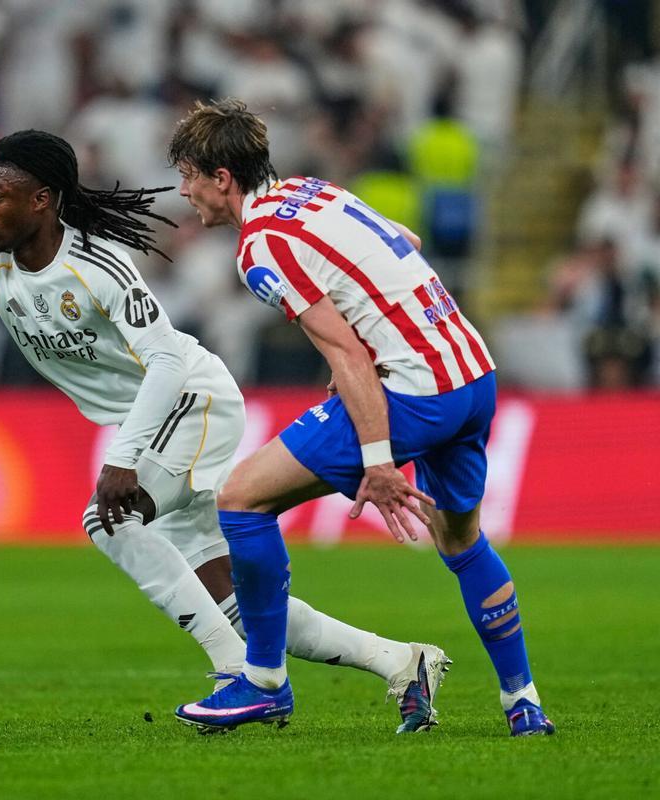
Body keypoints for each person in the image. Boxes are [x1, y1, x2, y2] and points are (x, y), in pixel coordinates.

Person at [0, 130, 450, 733]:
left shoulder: (97, 265)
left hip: (191, 400)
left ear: (42, 200)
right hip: (153, 423)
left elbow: (165, 360)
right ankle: (401, 661)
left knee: (109, 520)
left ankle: (239, 674)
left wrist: (124, 457)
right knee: (235, 602)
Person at [166, 99, 553, 737]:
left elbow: (346, 351)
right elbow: (409, 244)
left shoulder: (261, 246)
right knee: (461, 541)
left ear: (221, 178)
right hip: (471, 371)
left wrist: (378, 460)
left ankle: (262, 681)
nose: (186, 193)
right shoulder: (312, 193)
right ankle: (523, 702)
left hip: (415, 392)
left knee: (240, 501)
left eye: (189, 177)